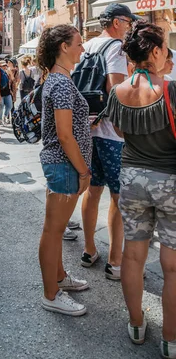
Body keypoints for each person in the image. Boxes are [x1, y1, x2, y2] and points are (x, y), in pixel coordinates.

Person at [105, 22, 176, 354]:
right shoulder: (170, 91)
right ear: (157, 51)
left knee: (132, 256)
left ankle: (136, 324)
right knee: (172, 265)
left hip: (131, 178)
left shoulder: (117, 92)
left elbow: (120, 132)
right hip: (169, 181)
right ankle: (171, 340)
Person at [38, 25, 92, 316]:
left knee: (56, 230)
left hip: (62, 163)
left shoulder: (60, 80)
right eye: (79, 44)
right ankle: (51, 294)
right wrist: (84, 171)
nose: (82, 49)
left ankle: (59, 278)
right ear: (63, 46)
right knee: (53, 229)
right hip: (64, 163)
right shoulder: (60, 82)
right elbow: (64, 135)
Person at [81, 3, 136, 280]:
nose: (129, 27)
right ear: (116, 22)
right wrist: (123, 127)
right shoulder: (116, 47)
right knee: (118, 196)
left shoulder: (88, 45)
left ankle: (89, 249)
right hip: (109, 133)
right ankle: (116, 262)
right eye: (127, 22)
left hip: (88, 128)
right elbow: (115, 88)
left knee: (93, 190)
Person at [0, 61, 12, 125]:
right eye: (3, 66)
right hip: (1, 93)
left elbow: (12, 79)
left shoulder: (6, 73)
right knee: (1, 107)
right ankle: (0, 119)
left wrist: (10, 73)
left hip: (7, 92)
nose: (4, 67)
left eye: (5, 66)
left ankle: (5, 116)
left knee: (9, 106)